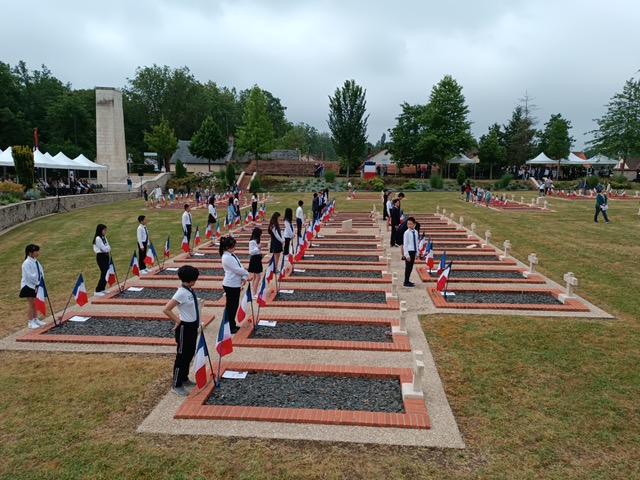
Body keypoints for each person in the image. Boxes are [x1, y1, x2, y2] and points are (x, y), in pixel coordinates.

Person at [162, 265, 201, 396]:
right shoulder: (181, 292)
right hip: (184, 328)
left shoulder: (189, 290)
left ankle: (184, 378)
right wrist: (178, 320)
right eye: (195, 278)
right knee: (182, 356)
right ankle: (176, 384)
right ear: (191, 279)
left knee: (190, 353)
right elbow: (167, 309)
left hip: (192, 327)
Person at [220, 236, 249, 334]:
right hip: (230, 284)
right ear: (228, 247)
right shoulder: (226, 257)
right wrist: (246, 273)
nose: (235, 246)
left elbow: (239, 266)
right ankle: (228, 326)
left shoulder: (232, 255)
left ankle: (232, 324)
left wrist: (244, 276)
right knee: (231, 307)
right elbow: (236, 270)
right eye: (234, 245)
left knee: (234, 305)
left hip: (235, 283)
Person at [20, 244, 47, 329]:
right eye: (36, 251)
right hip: (29, 286)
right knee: (31, 304)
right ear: (30, 253)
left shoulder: (35, 260)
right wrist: (38, 282)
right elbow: (30, 276)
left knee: (36, 303)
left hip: (36, 285)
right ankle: (30, 321)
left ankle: (36, 319)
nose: (38, 253)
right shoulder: (26, 263)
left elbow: (40, 271)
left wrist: (41, 281)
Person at [93, 223, 111, 296]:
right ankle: (97, 290)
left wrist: (107, 249)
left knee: (107, 272)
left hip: (106, 255)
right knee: (104, 272)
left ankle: (103, 288)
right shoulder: (98, 238)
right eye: (104, 230)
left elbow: (108, 247)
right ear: (100, 230)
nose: (105, 231)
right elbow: (104, 248)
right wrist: (107, 248)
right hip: (101, 256)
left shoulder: (104, 237)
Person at [402, 217, 419, 287]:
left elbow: (416, 242)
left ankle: (408, 280)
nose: (409, 225)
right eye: (408, 224)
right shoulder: (406, 233)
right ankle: (406, 281)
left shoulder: (416, 232)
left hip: (414, 251)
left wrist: (417, 253)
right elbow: (405, 245)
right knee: (408, 267)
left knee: (411, 267)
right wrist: (406, 255)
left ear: (414, 224)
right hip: (409, 251)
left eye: (411, 224)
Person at [248, 227, 264, 295]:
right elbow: (251, 252)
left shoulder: (256, 241)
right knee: (258, 276)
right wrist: (258, 248)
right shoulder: (252, 242)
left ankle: (255, 290)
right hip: (255, 259)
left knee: (255, 276)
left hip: (258, 258)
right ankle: (254, 293)